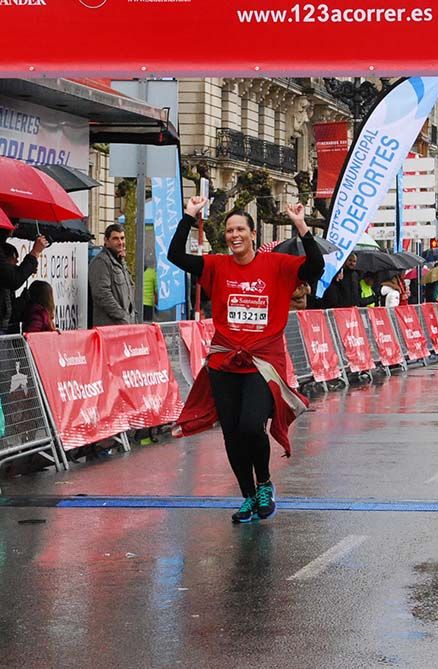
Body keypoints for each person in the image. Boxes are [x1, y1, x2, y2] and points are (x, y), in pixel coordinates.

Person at [168, 197, 323, 524]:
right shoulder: (217, 266)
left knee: (252, 426)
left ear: (253, 234)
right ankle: (247, 496)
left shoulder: (277, 265)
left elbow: (315, 268)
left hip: (261, 362)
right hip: (224, 362)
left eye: (240, 229)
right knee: (232, 434)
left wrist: (301, 226)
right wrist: (188, 216)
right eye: (229, 230)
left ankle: (264, 483)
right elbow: (176, 256)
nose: (234, 235)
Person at [0, 229, 46, 336]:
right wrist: (34, 253)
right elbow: (13, 279)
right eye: (14, 258)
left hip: (1, 324)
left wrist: (27, 268)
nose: (16, 262)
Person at [90, 224, 135, 326]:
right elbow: (102, 294)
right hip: (110, 329)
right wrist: (122, 317)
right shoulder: (101, 262)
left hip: (123, 326)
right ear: (106, 241)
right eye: (115, 238)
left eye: (122, 238)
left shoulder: (120, 261)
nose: (120, 242)